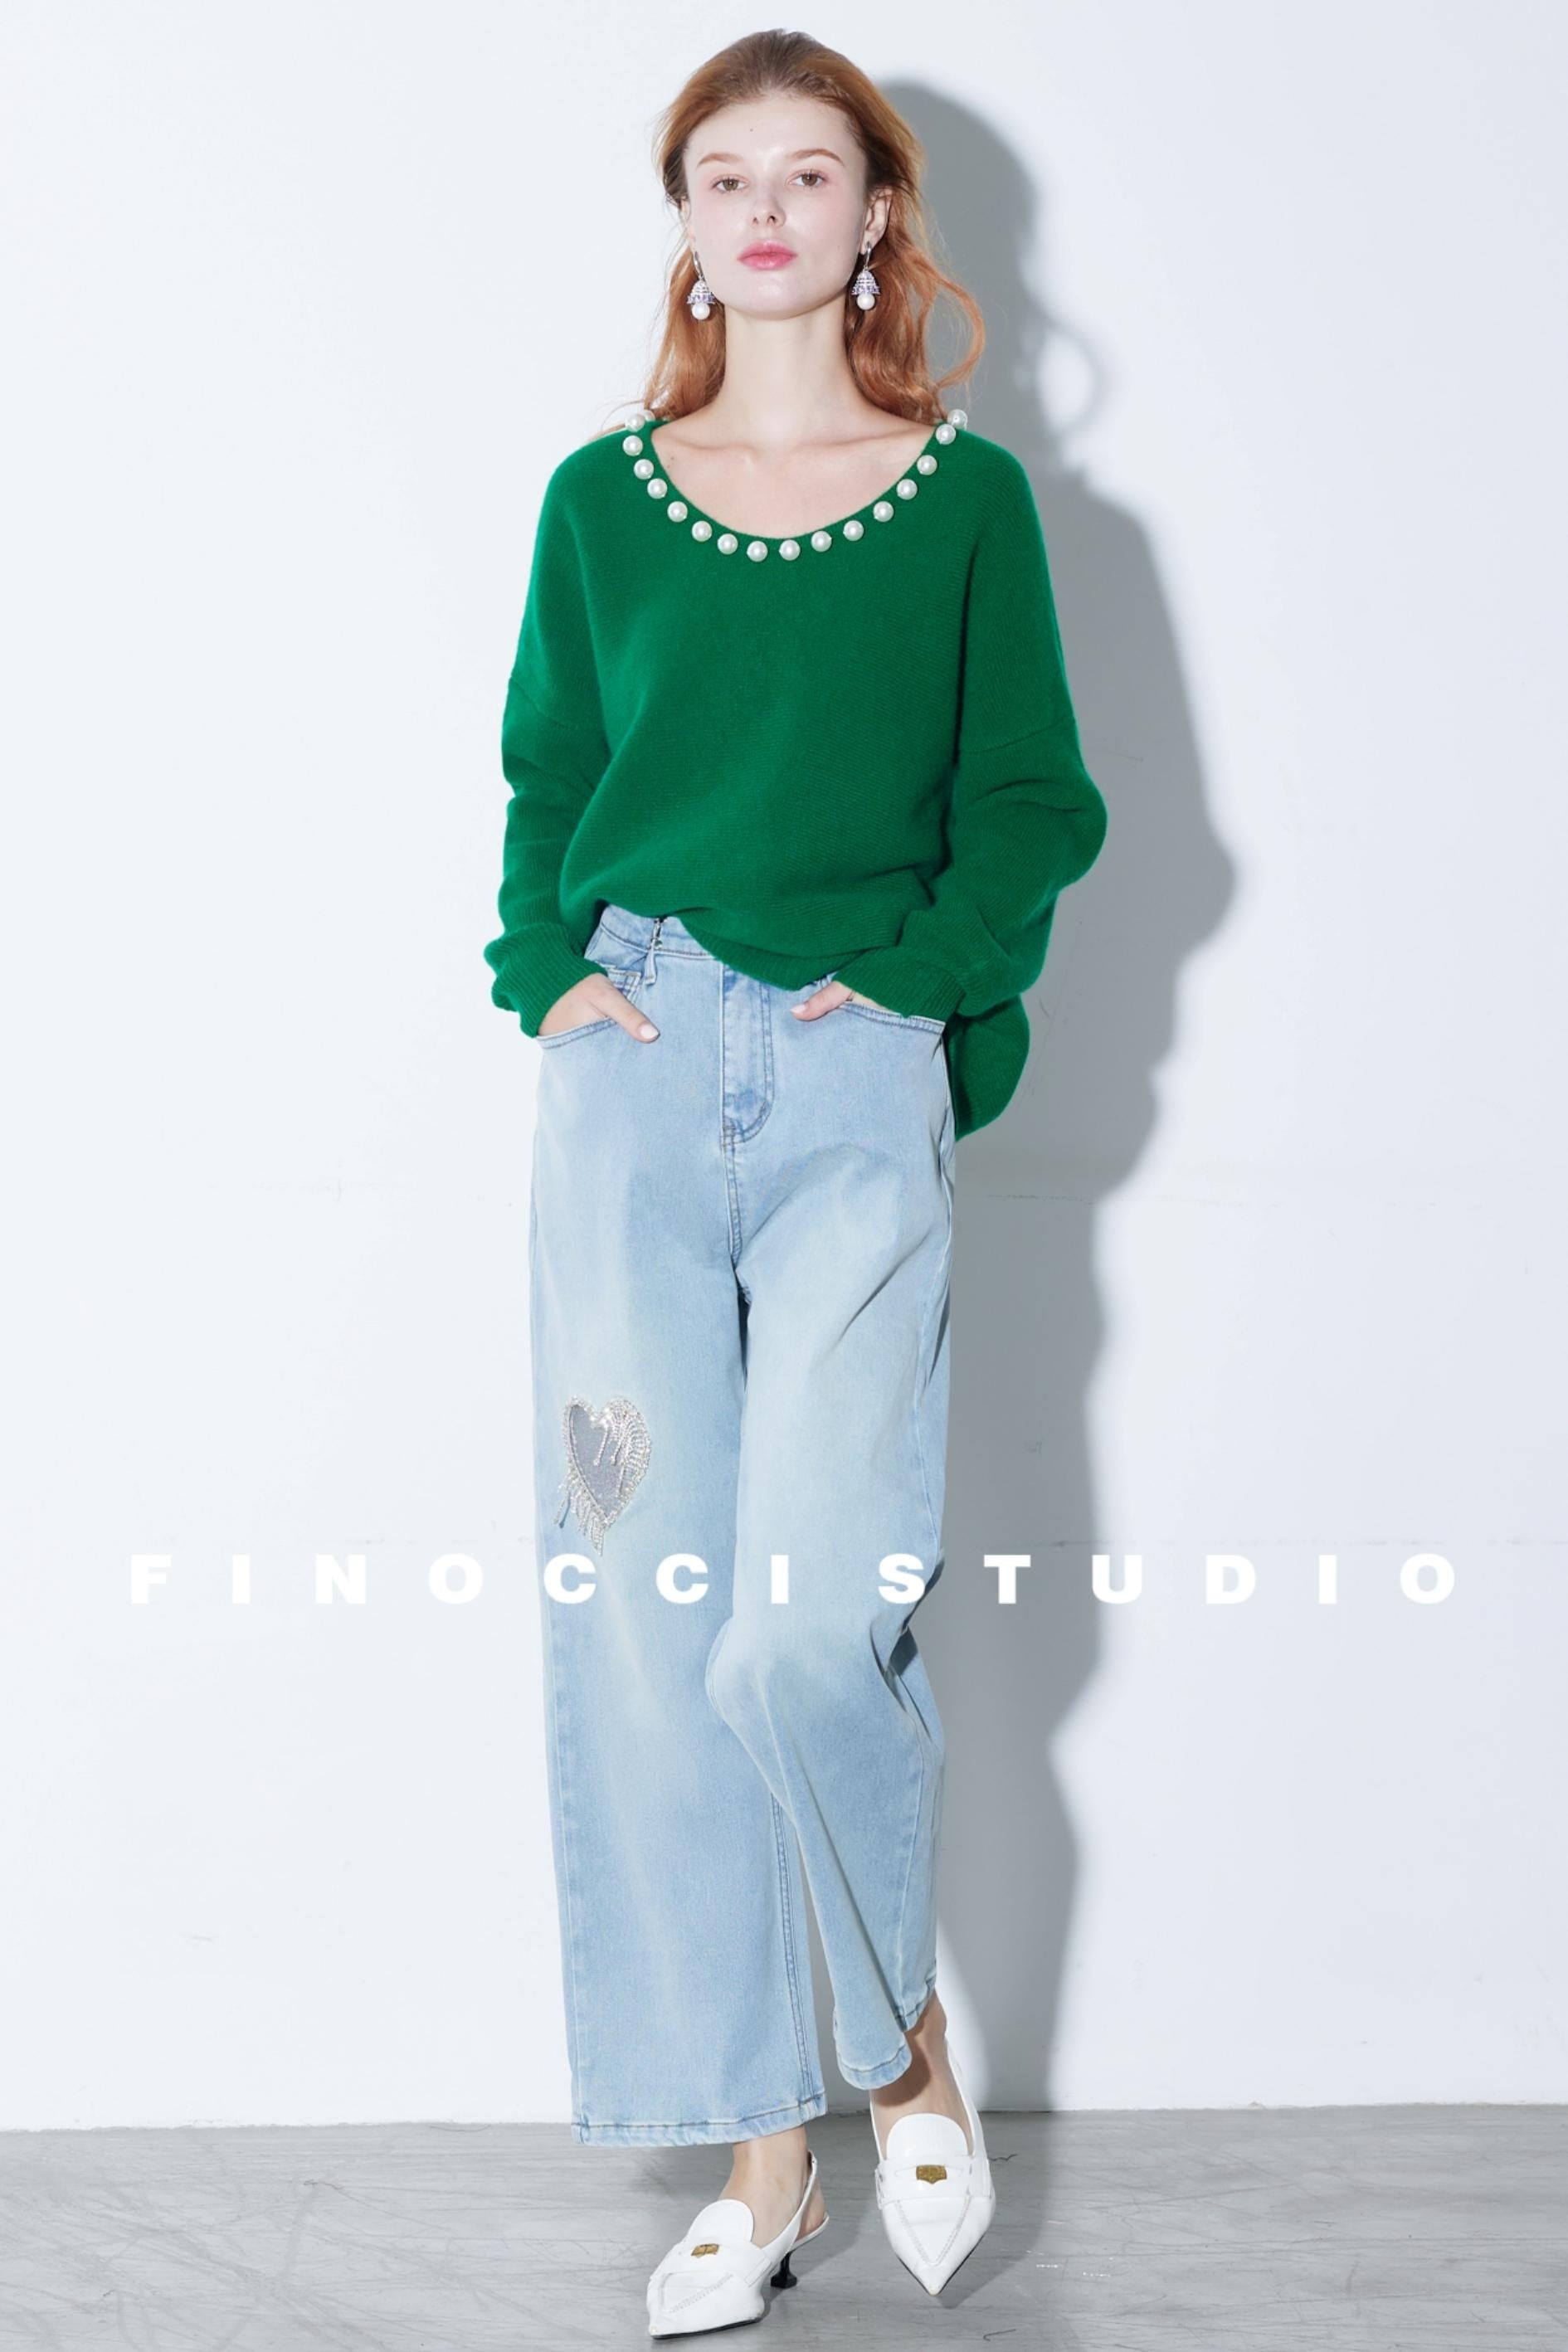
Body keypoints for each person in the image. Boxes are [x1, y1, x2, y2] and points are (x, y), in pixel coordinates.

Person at [482, 29, 1108, 2335]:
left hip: (854, 1073)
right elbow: (547, 777)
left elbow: (1032, 801)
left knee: (796, 1625)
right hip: (633, 1077)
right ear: (687, 224)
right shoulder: (596, 499)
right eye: (720, 175)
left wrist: (918, 984)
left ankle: (897, 2043)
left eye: (807, 173)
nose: (761, 209)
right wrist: (547, 975)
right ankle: (765, 2155)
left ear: (871, 220)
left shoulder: (963, 504)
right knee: (646, 1624)